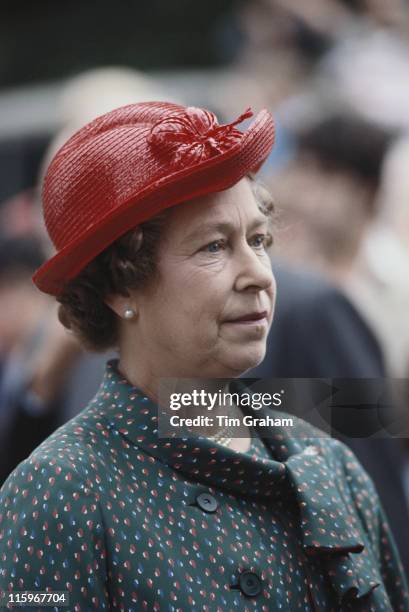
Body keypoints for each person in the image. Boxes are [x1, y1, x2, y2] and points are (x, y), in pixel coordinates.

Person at [0, 101, 407, 610]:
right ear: (120, 287)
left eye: (259, 239)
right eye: (214, 246)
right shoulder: (58, 490)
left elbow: (367, 426)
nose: (259, 272)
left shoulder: (333, 463)